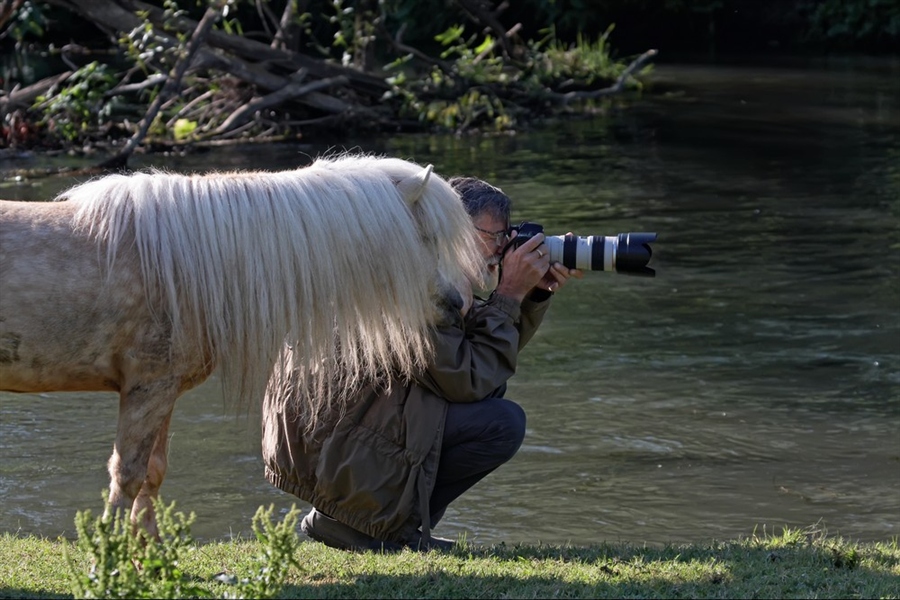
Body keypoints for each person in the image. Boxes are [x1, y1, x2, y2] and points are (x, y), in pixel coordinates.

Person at [261, 176, 582, 551]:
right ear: (452, 226)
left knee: (492, 393)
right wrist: (509, 293)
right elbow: (467, 377)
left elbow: (482, 362)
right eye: (494, 237)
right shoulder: (417, 283)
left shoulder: (412, 258)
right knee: (501, 423)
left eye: (505, 237)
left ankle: (372, 524)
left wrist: (531, 295)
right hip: (329, 444)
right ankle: (379, 529)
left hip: (326, 436)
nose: (501, 250)